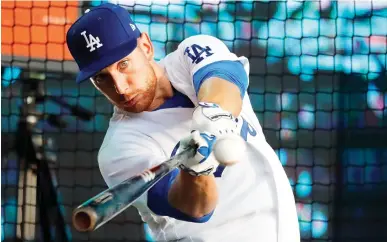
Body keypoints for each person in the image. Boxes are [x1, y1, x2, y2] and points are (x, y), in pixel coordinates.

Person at [66, 3, 300, 242]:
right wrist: (195, 170)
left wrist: (211, 118)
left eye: (123, 64)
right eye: (102, 78)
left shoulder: (190, 54)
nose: (120, 88)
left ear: (146, 46)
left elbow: (225, 80)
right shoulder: (119, 148)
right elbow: (196, 208)